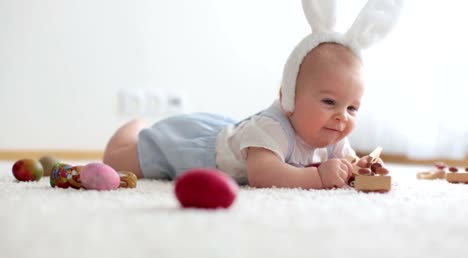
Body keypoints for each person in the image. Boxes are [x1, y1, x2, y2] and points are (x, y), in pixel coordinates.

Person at [103, 0, 402, 189]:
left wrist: (360, 167)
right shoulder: (272, 128)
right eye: (328, 102)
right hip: (199, 153)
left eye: (353, 108)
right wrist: (319, 178)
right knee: (120, 163)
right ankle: (133, 128)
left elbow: (345, 162)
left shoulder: (334, 137)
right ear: (289, 98)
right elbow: (264, 175)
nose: (341, 116)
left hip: (235, 133)